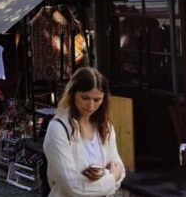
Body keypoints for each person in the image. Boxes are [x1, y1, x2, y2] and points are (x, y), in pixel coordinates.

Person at [43, 67, 125, 197]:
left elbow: (119, 167)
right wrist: (112, 177)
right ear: (73, 94)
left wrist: (110, 176)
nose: (90, 105)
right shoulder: (58, 129)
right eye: (85, 98)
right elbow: (73, 186)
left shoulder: (105, 127)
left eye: (97, 100)